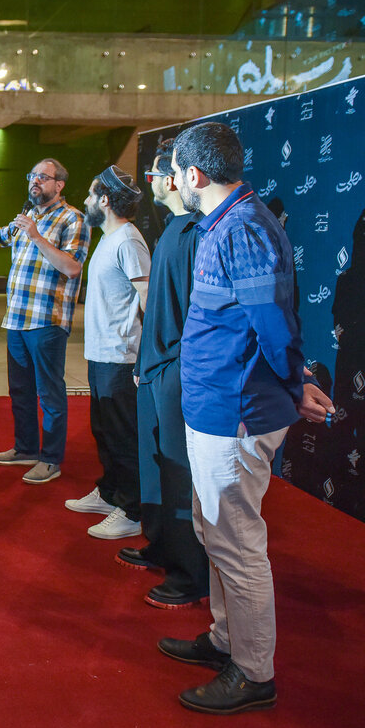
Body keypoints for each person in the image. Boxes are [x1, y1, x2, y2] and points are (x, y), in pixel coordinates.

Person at [157, 121, 333, 715]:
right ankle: (227, 641)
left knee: (236, 543)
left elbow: (274, 325)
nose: (172, 179)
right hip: (217, 409)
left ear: (194, 175)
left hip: (235, 414)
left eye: (175, 170)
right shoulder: (226, 223)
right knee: (215, 533)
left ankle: (254, 672)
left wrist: (294, 381)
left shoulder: (246, 228)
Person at [120, 142, 212, 610]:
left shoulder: (195, 234)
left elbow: (196, 313)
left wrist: (170, 366)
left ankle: (189, 573)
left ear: (174, 179)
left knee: (179, 476)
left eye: (157, 174)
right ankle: (160, 545)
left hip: (175, 370)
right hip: (154, 367)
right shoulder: (173, 229)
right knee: (155, 466)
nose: (151, 181)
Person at [0, 158, 90, 484]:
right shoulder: (27, 217)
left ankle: (51, 459)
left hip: (47, 320)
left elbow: (71, 267)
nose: (35, 181)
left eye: (43, 176)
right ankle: (25, 448)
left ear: (60, 185)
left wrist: (38, 237)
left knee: (50, 393)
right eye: (32, 175)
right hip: (17, 318)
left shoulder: (73, 219)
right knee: (21, 391)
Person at [63, 166, 150, 540]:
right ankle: (110, 492)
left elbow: (149, 299)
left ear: (106, 200)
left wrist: (145, 358)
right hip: (101, 354)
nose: (84, 201)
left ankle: (133, 510)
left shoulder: (129, 241)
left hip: (123, 356)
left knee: (122, 435)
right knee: (104, 430)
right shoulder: (109, 238)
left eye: (90, 194)